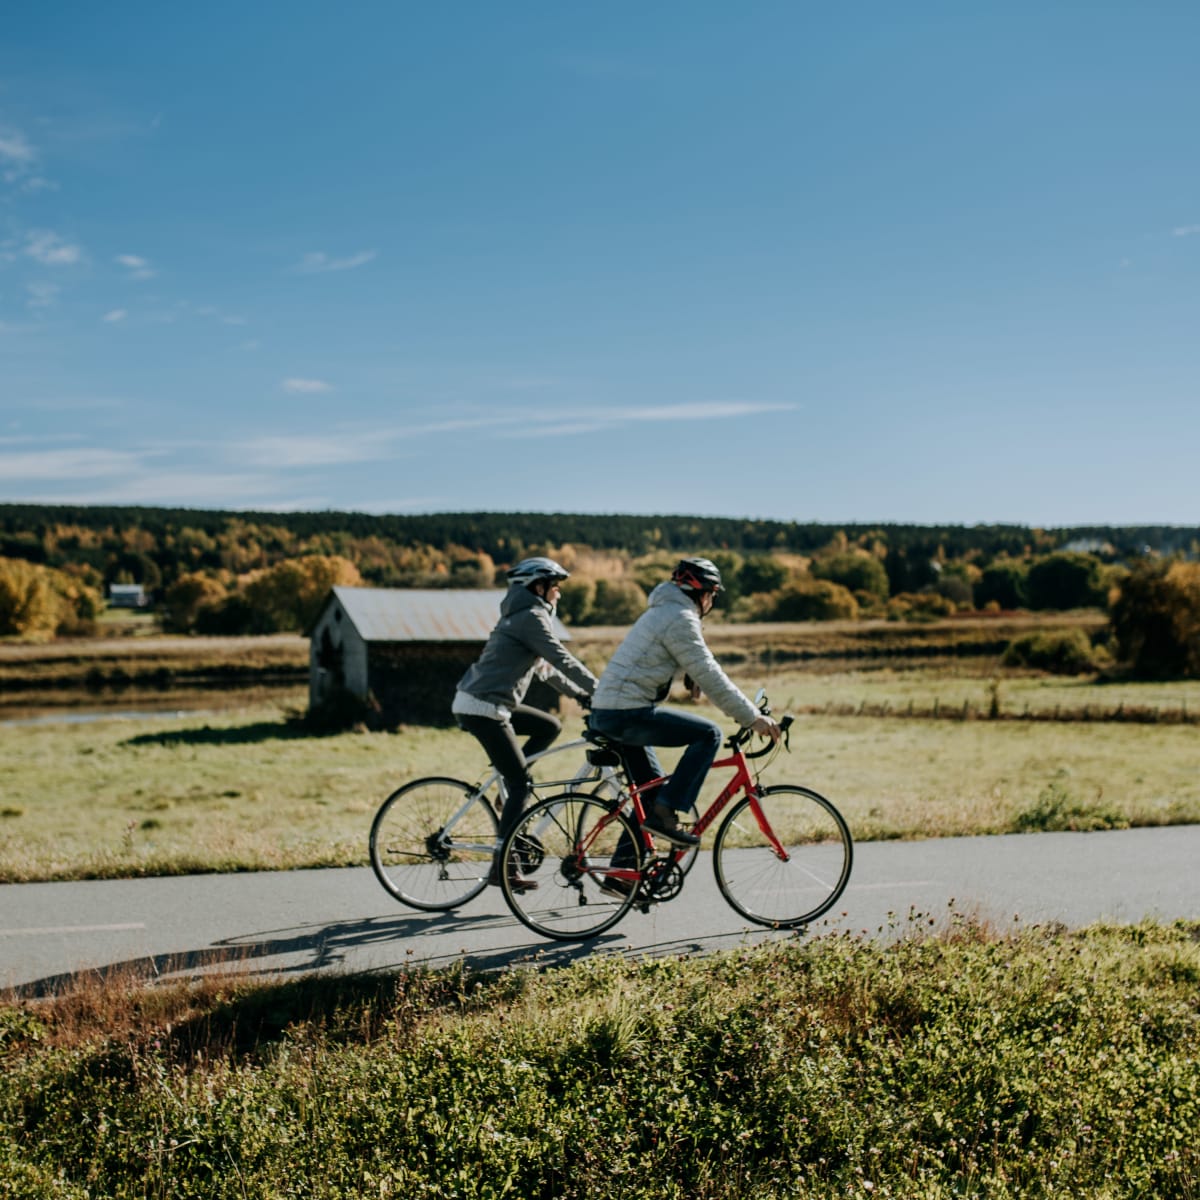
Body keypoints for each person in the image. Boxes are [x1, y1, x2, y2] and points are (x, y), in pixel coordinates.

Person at [588, 557, 781, 868]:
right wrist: (752, 717)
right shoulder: (679, 617)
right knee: (708, 734)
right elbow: (710, 673)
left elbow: (685, 657)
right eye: (713, 596)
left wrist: (687, 671)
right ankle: (667, 814)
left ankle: (621, 875)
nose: (712, 602)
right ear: (704, 594)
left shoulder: (665, 611)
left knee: (651, 795)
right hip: (626, 713)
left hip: (613, 710)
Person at [453, 556, 597, 891]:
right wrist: (601, 690)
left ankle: (509, 778)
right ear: (538, 587)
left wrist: (581, 696)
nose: (558, 594)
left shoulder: (521, 618)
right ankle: (501, 868)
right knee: (522, 786)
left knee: (549, 726)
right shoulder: (530, 617)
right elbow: (561, 657)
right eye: (555, 587)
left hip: (485, 703)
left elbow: (547, 670)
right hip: (484, 707)